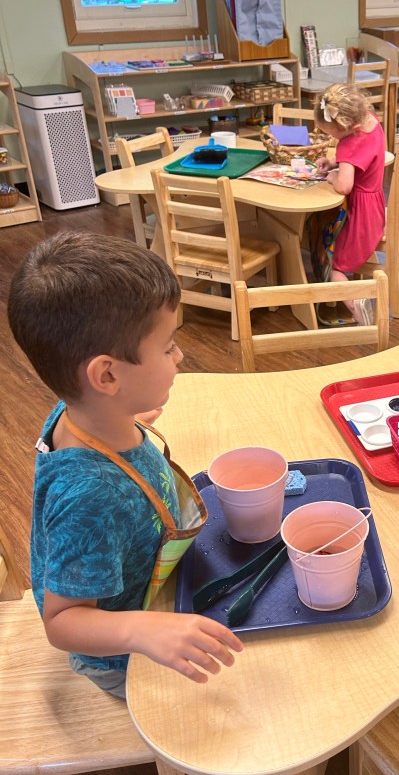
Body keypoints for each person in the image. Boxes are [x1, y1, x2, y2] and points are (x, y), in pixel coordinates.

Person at [7, 232, 243, 698]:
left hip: (158, 581)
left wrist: (130, 415)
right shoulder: (91, 496)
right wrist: (143, 631)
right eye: (168, 347)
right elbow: (62, 621)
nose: (180, 355)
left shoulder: (85, 412)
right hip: (124, 657)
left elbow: (98, 415)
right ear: (108, 375)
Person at [314, 82, 386, 325]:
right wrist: (336, 162)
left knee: (332, 265)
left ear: (349, 128)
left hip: (359, 216)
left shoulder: (349, 143)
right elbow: (361, 157)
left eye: (333, 134)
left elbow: (344, 186)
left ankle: (357, 306)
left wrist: (333, 175)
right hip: (374, 209)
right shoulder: (371, 121)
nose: (333, 139)